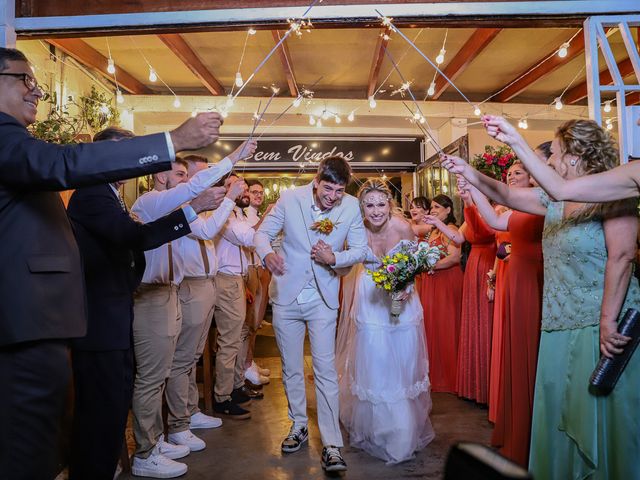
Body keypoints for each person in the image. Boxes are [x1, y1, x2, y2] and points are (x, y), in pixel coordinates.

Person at [0, 47, 222, 480]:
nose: (37, 91)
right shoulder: (10, 143)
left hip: (44, 324)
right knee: (29, 451)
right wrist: (171, 142)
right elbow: (65, 163)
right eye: (27, 80)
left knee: (44, 443)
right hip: (26, 325)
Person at [444, 118, 640, 477]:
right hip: (557, 322)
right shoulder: (551, 197)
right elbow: (505, 197)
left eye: (556, 153)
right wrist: (469, 172)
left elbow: (622, 256)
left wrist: (607, 321)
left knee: (596, 414)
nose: (549, 162)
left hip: (599, 321)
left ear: (576, 157)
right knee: (559, 411)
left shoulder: (614, 194)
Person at [65, 128, 224, 480]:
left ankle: (107, 464)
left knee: (114, 400)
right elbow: (132, 237)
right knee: (103, 406)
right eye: (125, 153)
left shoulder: (108, 193)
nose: (131, 162)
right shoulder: (94, 193)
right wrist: (193, 208)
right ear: (103, 156)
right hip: (100, 314)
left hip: (115, 306)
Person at [129, 142, 254, 479]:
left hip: (170, 290)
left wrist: (224, 199)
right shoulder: (151, 202)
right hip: (155, 292)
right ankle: (149, 448)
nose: (186, 182)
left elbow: (206, 229)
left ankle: (167, 432)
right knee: (155, 375)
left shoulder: (174, 207)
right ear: (160, 176)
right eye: (180, 176)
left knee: (178, 363)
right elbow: (199, 200)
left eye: (187, 176)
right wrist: (233, 160)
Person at [254, 156, 368, 472]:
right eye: (328, 188)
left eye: (339, 190)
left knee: (325, 369)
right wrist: (267, 255)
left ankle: (332, 444)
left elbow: (359, 249)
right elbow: (262, 234)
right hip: (287, 296)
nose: (332, 196)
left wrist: (335, 257)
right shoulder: (290, 199)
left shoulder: (350, 206)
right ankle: (299, 426)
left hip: (323, 296)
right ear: (317, 180)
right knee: (290, 367)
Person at [336, 179, 435, 464]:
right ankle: (379, 429)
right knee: (375, 364)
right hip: (370, 303)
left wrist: (405, 286)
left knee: (401, 367)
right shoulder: (356, 229)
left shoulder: (403, 228)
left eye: (381, 204)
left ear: (390, 205)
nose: (376, 211)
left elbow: (414, 264)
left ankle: (402, 432)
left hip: (401, 304)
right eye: (370, 205)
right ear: (361, 207)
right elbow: (344, 266)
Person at [424, 186, 496, 404]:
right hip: (474, 265)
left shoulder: (496, 213)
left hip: (486, 264)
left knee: (474, 323)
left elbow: (455, 252)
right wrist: (436, 223)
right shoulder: (467, 216)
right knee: (470, 324)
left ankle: (484, 383)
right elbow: (458, 237)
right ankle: (472, 380)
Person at [212, 173, 266, 418]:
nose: (244, 191)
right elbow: (248, 237)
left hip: (237, 278)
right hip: (225, 279)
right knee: (230, 340)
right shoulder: (223, 215)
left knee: (240, 335)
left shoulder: (235, 213)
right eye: (237, 186)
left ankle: (234, 386)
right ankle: (222, 397)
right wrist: (271, 216)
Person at [419, 194, 463, 394]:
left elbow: (454, 257)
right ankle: (433, 373)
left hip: (446, 282)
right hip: (432, 282)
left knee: (446, 325)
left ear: (448, 210)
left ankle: (449, 376)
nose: (433, 210)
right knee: (432, 325)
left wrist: (432, 266)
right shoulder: (433, 231)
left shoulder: (451, 230)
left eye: (437, 206)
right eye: (431, 207)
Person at [242, 179, 272, 386]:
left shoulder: (256, 215)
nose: (258, 195)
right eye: (254, 192)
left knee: (256, 322)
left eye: (261, 192)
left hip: (261, 268)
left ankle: (249, 361)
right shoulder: (242, 214)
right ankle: (245, 365)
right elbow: (249, 237)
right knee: (249, 322)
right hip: (249, 270)